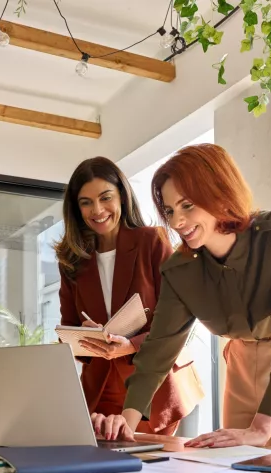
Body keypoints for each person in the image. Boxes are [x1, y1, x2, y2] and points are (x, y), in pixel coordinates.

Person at [90, 144, 271, 451]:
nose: (176, 222)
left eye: (187, 206)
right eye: (170, 211)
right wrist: (125, 424)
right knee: (238, 472)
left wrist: (260, 429)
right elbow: (159, 351)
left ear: (219, 192)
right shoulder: (180, 270)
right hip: (241, 359)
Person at [55, 156, 204, 436]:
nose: (97, 210)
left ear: (122, 196)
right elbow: (68, 330)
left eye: (105, 197)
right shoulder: (71, 260)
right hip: (102, 390)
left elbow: (177, 321)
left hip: (158, 385)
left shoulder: (152, 241)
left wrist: (131, 344)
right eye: (85, 202)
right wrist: (83, 336)